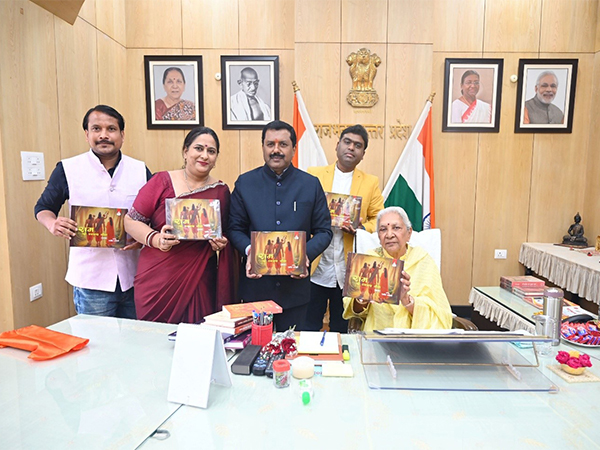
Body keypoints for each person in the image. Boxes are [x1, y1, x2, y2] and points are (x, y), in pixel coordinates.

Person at [34, 105, 151, 318]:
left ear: (122, 135)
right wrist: (53, 223)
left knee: (134, 343)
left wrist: (144, 237)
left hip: (133, 277)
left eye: (111, 129)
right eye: (96, 129)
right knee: (97, 345)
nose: (104, 135)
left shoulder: (140, 170)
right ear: (87, 134)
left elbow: (154, 214)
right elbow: (43, 208)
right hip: (91, 280)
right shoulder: (68, 168)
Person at [229, 120, 332, 331]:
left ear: (294, 148)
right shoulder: (245, 183)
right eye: (270, 144)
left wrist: (305, 254)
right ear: (263, 147)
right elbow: (234, 228)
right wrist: (250, 251)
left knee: (292, 352)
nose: (276, 150)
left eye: (283, 144)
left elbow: (324, 231)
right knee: (254, 353)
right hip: (255, 291)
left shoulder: (310, 184)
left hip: (296, 291)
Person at [124, 127, 234, 324]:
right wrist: (156, 239)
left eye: (211, 151)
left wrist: (221, 243)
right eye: (198, 148)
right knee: (154, 342)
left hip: (199, 277)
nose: (204, 155)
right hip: (159, 276)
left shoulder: (221, 191)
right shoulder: (161, 181)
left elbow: (225, 232)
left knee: (196, 341)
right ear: (185, 151)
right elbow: (130, 220)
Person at [306, 124, 384, 333]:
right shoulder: (314, 175)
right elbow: (301, 211)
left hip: (348, 269)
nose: (351, 148)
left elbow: (379, 219)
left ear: (363, 154)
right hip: (317, 267)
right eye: (347, 142)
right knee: (309, 325)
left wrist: (360, 228)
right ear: (337, 145)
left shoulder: (370, 182)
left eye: (357, 145)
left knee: (342, 329)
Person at [342, 206, 453, 332]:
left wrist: (407, 300)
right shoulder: (369, 260)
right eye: (383, 229)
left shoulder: (423, 260)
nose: (389, 235)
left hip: (413, 339)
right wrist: (362, 299)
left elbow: (440, 314)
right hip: (376, 335)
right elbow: (354, 310)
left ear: (409, 233)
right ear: (378, 236)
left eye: (396, 228)